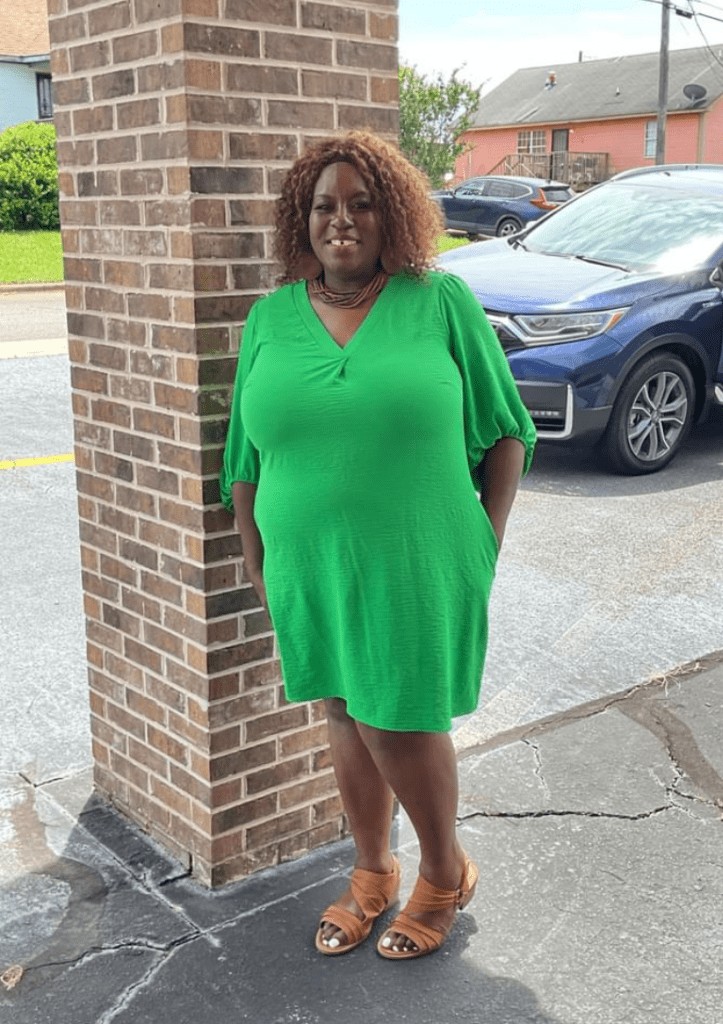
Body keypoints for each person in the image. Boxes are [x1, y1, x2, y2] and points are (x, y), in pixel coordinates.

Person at [219, 131, 537, 961]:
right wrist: (256, 557)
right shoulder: (269, 317)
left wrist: (484, 540)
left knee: (399, 716)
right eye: (325, 205)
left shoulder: (440, 303)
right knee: (342, 712)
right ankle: (371, 872)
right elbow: (244, 459)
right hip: (306, 564)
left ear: (390, 214)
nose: (342, 220)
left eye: (361, 203)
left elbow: (507, 432)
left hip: (416, 557)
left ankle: (442, 872)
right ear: (303, 219)